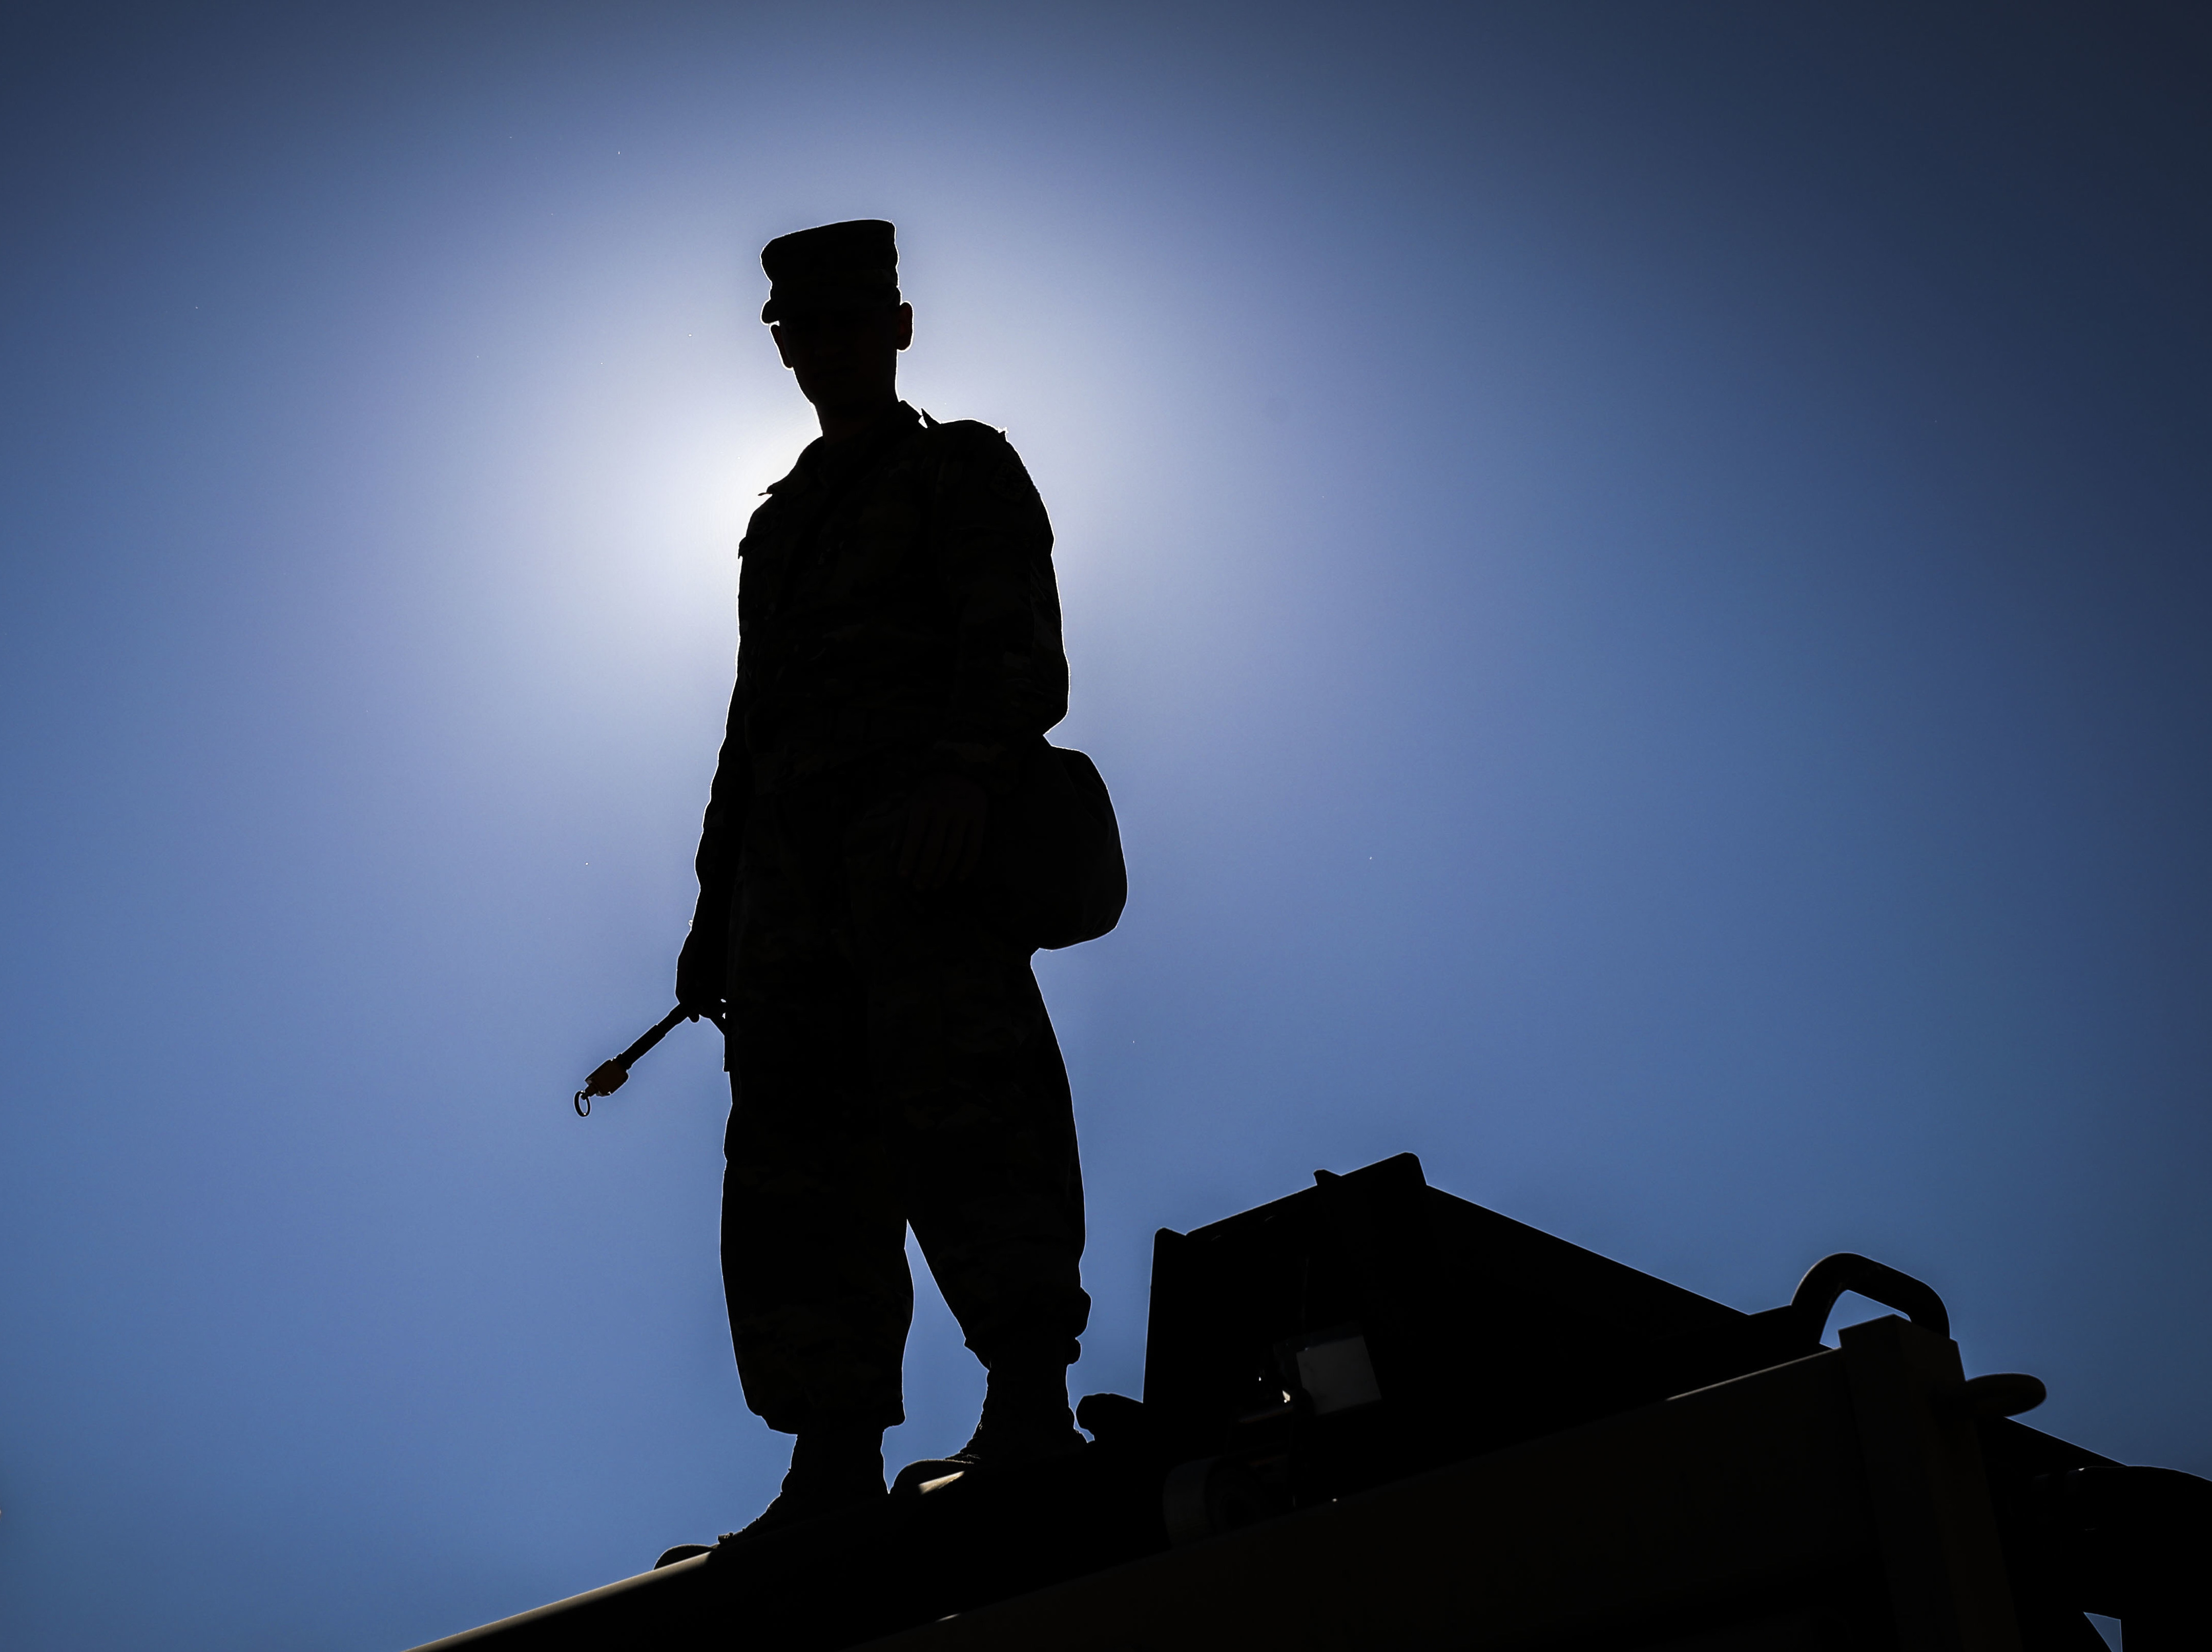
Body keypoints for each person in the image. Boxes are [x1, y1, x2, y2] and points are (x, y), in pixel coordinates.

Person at [673, 219, 1091, 1539]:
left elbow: (1012, 638)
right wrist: (713, 912)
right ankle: (829, 1462)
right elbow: (752, 723)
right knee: (796, 1167)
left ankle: (1027, 1399)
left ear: (896, 329)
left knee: (970, 1112)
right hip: (784, 899)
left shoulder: (956, 468)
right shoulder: (779, 525)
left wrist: (965, 777)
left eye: (852, 320)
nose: (825, 346)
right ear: (784, 346)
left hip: (920, 857)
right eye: (802, 328)